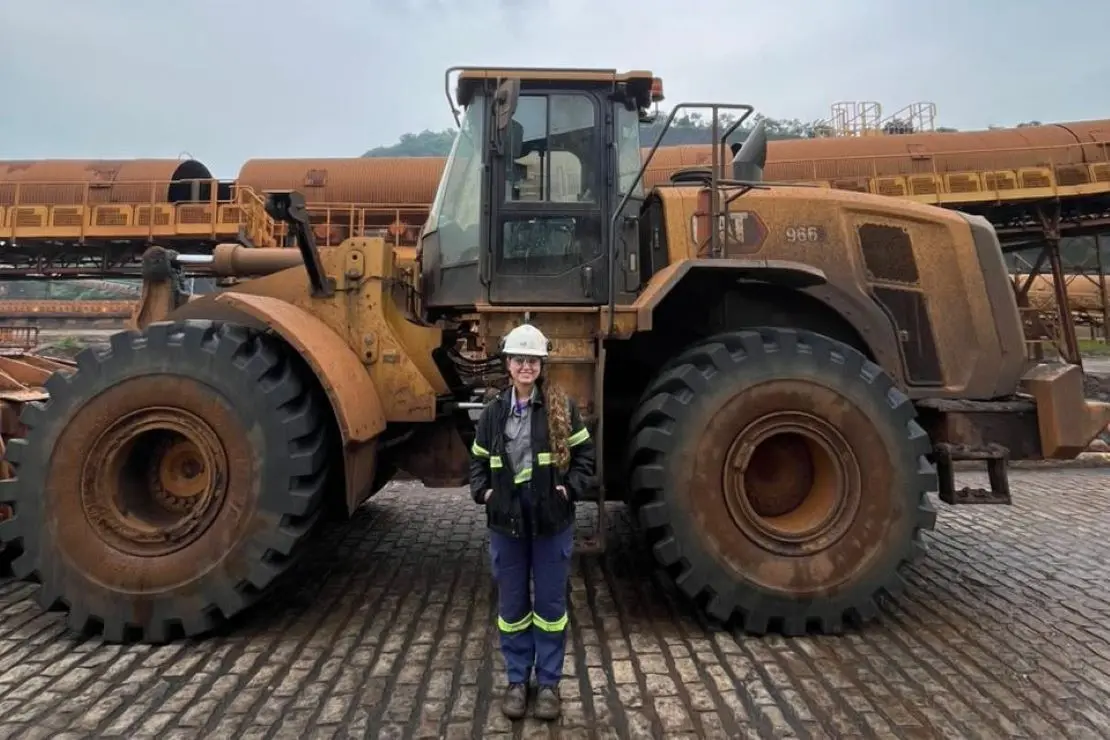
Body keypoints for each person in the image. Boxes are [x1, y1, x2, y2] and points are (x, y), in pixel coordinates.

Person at [468, 323, 596, 721]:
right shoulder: (492, 413)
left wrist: (568, 491)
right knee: (512, 606)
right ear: (508, 364)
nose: (526, 366)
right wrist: (485, 493)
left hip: (550, 521)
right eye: (519, 359)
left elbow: (586, 459)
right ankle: (517, 681)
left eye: (533, 360)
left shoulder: (562, 408)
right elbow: (476, 462)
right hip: (506, 521)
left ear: (542, 365)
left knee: (551, 606)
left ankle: (550, 684)